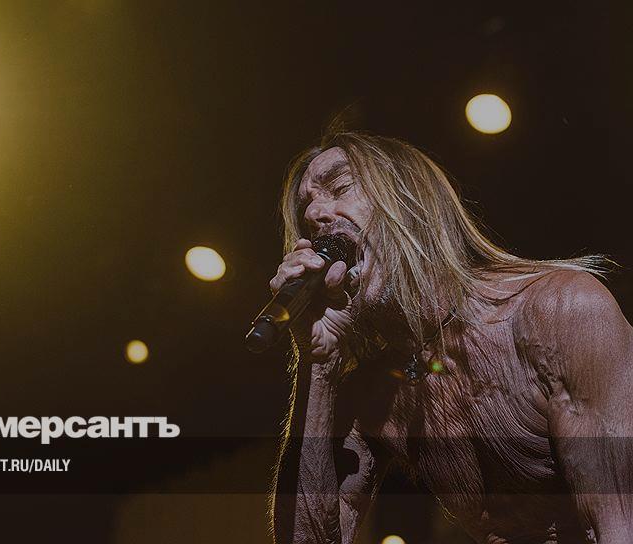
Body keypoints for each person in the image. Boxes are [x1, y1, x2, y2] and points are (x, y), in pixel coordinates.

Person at [268, 131, 633, 543]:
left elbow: (618, 525)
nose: (315, 213)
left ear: (409, 202)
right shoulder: (375, 394)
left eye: (339, 187)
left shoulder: (561, 311)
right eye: (307, 210)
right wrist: (319, 363)